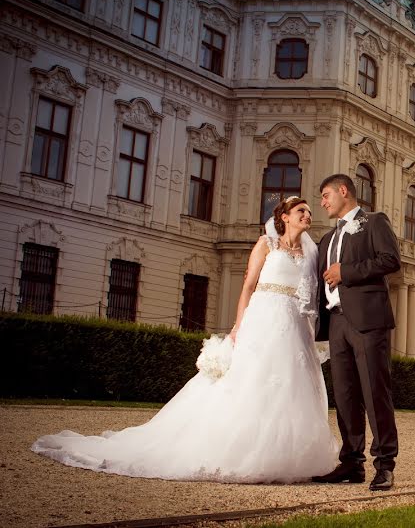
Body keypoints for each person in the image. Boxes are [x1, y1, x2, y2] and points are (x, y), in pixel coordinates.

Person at [32, 198, 339, 482]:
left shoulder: (309, 252)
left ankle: (284, 454)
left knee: (291, 385)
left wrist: (311, 328)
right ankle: (239, 450)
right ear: (284, 217)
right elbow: (247, 286)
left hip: (295, 325)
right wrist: (237, 327)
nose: (308, 216)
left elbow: (310, 294)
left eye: (310, 212)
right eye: (302, 211)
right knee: (251, 381)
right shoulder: (266, 244)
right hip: (265, 317)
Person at [313, 174, 401, 491]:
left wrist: (345, 272)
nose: (322, 202)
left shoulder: (374, 222)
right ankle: (352, 462)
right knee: (346, 395)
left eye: (325, 195)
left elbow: (391, 260)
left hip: (368, 320)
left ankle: (385, 465)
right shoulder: (327, 239)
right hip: (336, 322)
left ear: (343, 191)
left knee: (375, 393)